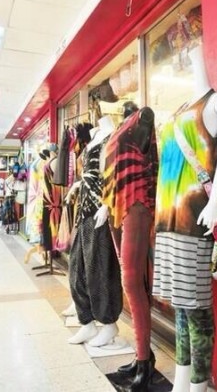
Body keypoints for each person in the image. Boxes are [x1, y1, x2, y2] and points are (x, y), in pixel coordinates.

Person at [151, 41, 217, 392]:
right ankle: (181, 382)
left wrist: (214, 203)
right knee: (182, 307)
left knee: (197, 307)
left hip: (194, 219)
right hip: (167, 221)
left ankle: (198, 385)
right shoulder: (180, 109)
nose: (186, 57)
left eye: (190, 52)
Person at [95, 105, 159, 392]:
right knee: (131, 283)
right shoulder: (119, 128)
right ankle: (142, 355)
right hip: (115, 205)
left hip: (137, 203)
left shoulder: (142, 117)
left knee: (132, 282)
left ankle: (144, 363)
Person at [66, 116, 123, 347]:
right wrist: (77, 185)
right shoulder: (94, 137)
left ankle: (109, 324)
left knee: (99, 269)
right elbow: (90, 172)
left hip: (100, 210)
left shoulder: (114, 136)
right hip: (84, 210)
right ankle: (87, 322)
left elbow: (117, 174)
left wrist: (107, 206)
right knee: (76, 269)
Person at [2, 167, 17, 234]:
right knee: (12, 212)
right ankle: (12, 227)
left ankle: (7, 227)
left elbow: (5, 190)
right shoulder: (13, 178)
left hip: (7, 197)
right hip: (12, 197)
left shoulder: (6, 179)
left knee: (7, 213)